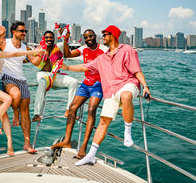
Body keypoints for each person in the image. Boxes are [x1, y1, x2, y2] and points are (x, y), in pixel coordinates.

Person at [60, 25, 152, 166]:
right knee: (103, 121)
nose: (102, 37)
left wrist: (145, 86)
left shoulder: (127, 49)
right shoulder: (103, 57)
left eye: (105, 34)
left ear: (113, 35)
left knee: (126, 95)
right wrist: (67, 67)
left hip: (128, 84)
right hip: (111, 90)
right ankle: (90, 155)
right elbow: (85, 67)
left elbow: (136, 70)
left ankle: (127, 133)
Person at [0, 25, 42, 156]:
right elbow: (12, 54)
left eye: (26, 31)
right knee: (10, 98)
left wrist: (40, 54)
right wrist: (31, 52)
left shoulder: (6, 48)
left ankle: (11, 144)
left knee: (9, 112)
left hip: (1, 82)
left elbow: (28, 60)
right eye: (2, 37)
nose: (4, 40)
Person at [51, 29, 108, 159]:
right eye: (86, 37)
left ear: (95, 36)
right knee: (72, 108)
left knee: (91, 110)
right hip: (86, 83)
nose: (88, 39)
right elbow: (67, 54)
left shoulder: (104, 50)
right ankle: (67, 141)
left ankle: (84, 147)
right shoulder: (84, 49)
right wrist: (65, 38)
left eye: (91, 37)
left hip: (98, 84)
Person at [1, 21, 42, 154]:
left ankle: (27, 144)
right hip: (7, 78)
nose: (24, 33)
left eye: (25, 31)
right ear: (14, 32)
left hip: (21, 80)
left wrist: (42, 53)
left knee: (26, 111)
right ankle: (15, 113)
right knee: (16, 95)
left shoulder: (25, 47)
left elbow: (35, 62)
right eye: (22, 31)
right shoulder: (4, 43)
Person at [32, 30, 79, 122]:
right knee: (42, 83)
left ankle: (69, 111)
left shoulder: (58, 47)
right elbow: (31, 60)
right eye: (46, 38)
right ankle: (37, 114)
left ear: (53, 39)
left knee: (74, 82)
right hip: (43, 75)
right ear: (43, 39)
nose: (49, 39)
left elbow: (66, 51)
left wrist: (65, 37)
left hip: (55, 75)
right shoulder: (40, 49)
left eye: (51, 37)